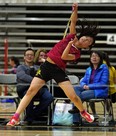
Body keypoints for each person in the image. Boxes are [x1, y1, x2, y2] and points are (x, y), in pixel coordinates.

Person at [7, 3, 100, 126]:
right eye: (86, 37)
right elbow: (73, 22)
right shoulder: (72, 36)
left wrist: (69, 44)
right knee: (31, 91)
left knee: (72, 96)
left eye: (89, 41)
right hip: (46, 67)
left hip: (58, 70)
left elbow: (63, 57)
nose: (86, 39)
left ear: (87, 46)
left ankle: (83, 112)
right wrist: (75, 10)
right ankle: (16, 117)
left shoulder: (77, 54)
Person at [68, 51, 109, 125]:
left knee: (81, 95)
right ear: (90, 58)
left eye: (96, 56)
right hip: (88, 88)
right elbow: (83, 81)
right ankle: (77, 109)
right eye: (92, 56)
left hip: (100, 90)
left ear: (100, 58)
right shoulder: (89, 69)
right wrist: (84, 85)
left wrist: (89, 86)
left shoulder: (104, 68)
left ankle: (76, 119)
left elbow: (103, 83)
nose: (94, 57)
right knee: (76, 88)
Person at [16, 48, 54, 125]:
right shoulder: (20, 67)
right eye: (27, 55)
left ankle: (30, 116)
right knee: (29, 97)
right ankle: (30, 118)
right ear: (24, 57)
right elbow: (22, 76)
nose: (29, 56)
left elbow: (45, 76)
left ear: (34, 57)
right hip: (25, 89)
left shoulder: (39, 67)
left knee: (49, 97)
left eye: (31, 55)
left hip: (40, 89)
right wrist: (36, 80)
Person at [102, 52, 116, 118]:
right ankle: (111, 116)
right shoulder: (112, 68)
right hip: (113, 92)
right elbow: (115, 81)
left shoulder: (99, 67)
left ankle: (94, 114)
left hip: (105, 93)